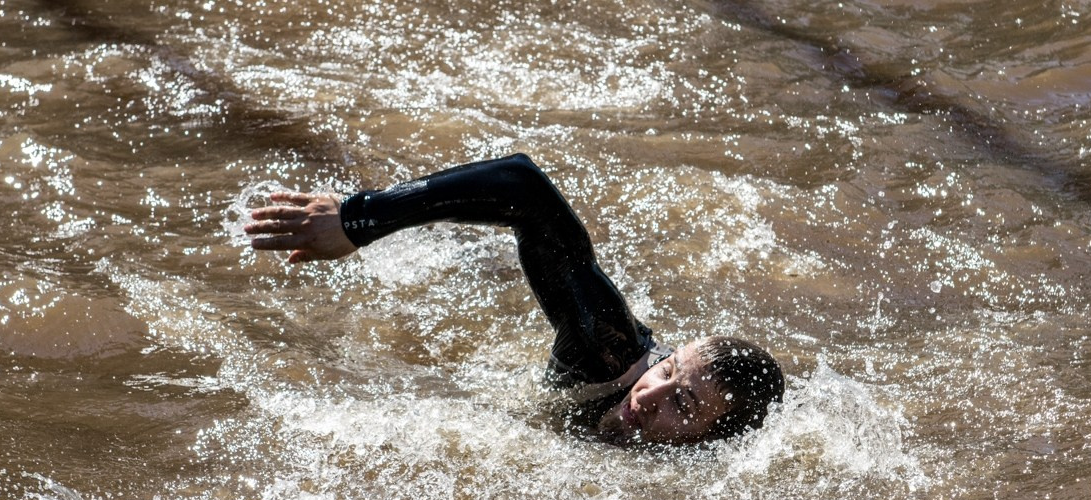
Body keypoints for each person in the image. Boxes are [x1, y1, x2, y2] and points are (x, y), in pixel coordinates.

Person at [244, 154, 783, 446]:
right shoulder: (608, 352)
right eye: (668, 372)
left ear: (712, 441)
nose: (650, 395)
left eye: (682, 405)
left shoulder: (711, 468)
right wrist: (357, 220)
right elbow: (522, 187)